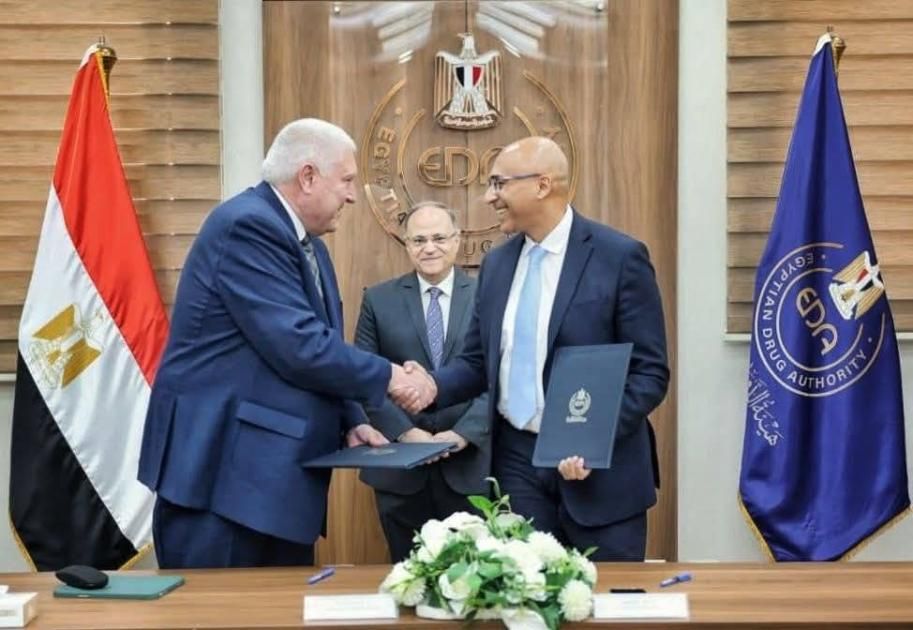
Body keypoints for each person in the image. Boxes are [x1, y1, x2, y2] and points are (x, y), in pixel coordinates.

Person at [137, 118, 431, 569]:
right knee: (221, 605)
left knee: (282, 602)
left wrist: (350, 418)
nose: (353, 196)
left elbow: (316, 341)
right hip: (223, 480)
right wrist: (392, 376)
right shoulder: (247, 226)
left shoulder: (308, 245)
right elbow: (298, 345)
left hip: (268, 483)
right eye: (346, 180)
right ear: (308, 176)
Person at [397, 136, 669, 561]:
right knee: (523, 595)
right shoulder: (497, 264)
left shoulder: (619, 257)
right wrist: (431, 385)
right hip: (517, 466)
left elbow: (649, 372)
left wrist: (589, 436)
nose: (489, 197)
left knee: (607, 597)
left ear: (542, 185)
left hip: (600, 473)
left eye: (499, 184)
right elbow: (478, 362)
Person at [355, 202, 491, 562]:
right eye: (418, 240)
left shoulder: (488, 295)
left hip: (470, 465)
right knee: (408, 577)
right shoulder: (378, 300)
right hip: (401, 470)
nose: (429, 248)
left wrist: (463, 433)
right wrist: (406, 433)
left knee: (471, 578)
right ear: (407, 244)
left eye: (439, 238)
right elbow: (364, 378)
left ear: (457, 240)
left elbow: (501, 374)